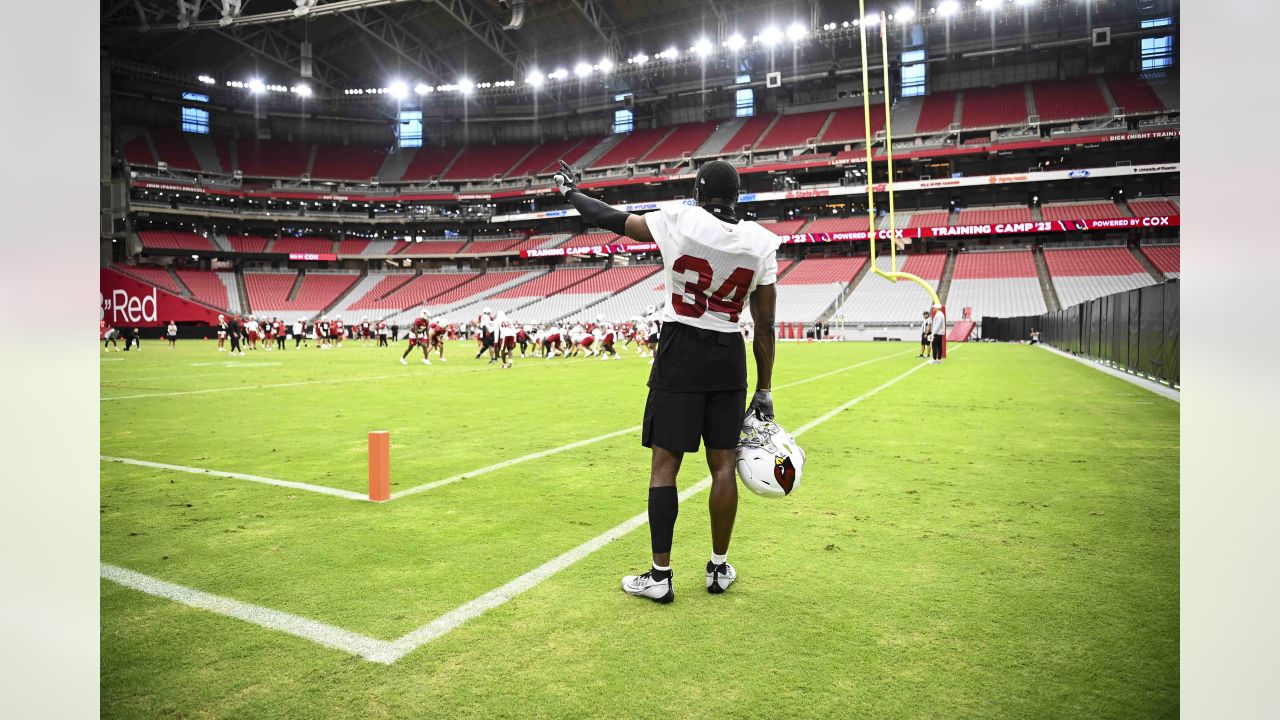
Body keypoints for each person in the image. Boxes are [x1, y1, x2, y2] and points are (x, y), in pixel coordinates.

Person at [553, 158, 777, 603]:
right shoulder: (761, 242)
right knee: (723, 467)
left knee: (664, 468)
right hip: (728, 355)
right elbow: (766, 325)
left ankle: (660, 574)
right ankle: (717, 567)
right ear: (736, 196)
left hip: (680, 348)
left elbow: (613, 220)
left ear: (698, 191)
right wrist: (765, 388)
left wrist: (569, 194)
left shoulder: (680, 219)